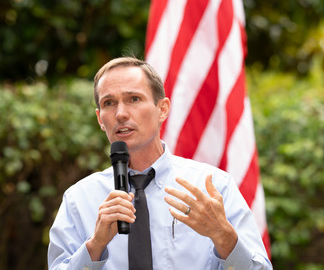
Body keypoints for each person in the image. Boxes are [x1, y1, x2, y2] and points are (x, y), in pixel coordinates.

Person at [48, 56, 272, 270]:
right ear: (100, 119)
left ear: (162, 109)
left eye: (133, 99)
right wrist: (94, 246)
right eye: (109, 103)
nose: (121, 114)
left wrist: (223, 236)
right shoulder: (78, 199)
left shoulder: (213, 188)